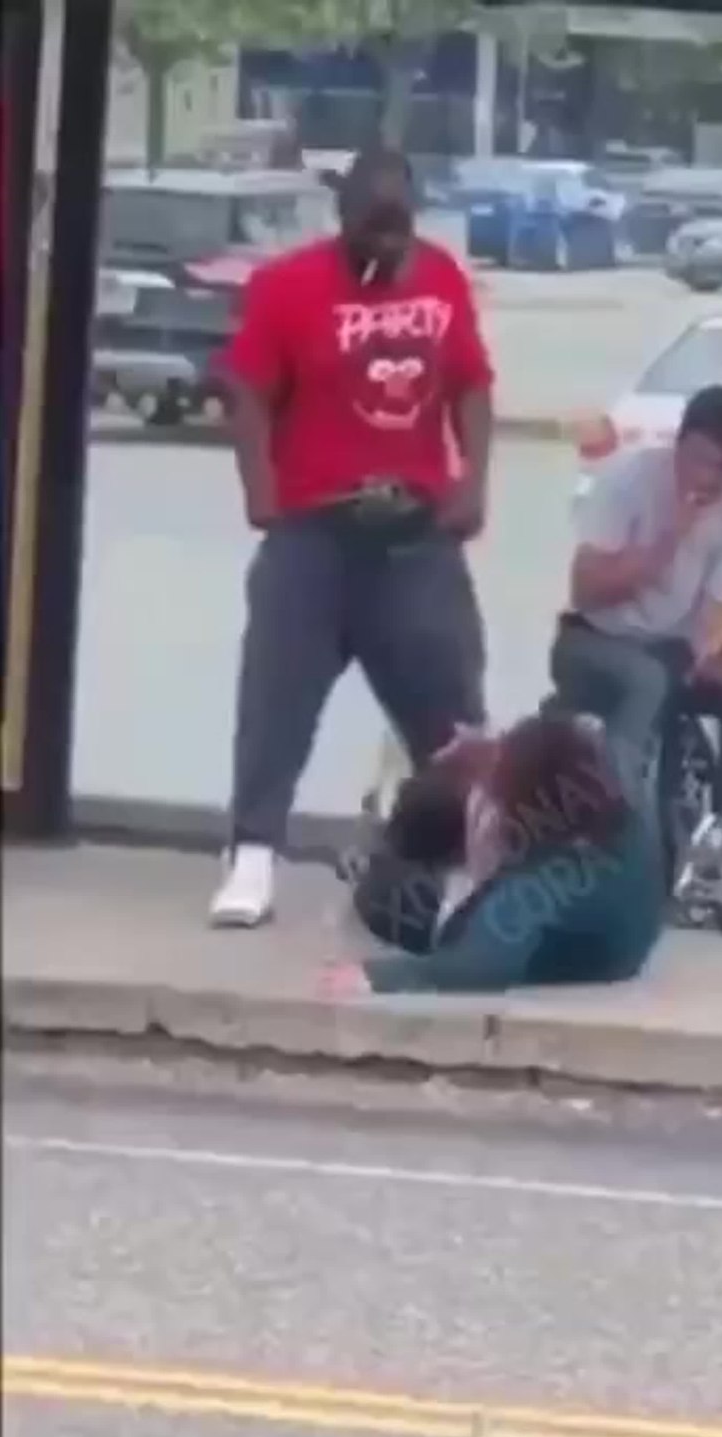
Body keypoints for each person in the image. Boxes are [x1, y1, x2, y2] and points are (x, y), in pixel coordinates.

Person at [210, 146, 494, 928]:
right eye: (374, 232)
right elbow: (246, 388)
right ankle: (254, 855)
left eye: (401, 230)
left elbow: (472, 382)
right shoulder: (288, 287)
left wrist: (473, 481)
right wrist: (260, 489)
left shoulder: (441, 277)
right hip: (316, 531)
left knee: (451, 711)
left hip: (414, 535)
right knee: (277, 699)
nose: (389, 246)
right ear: (344, 221)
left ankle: (467, 864)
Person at [550, 384, 722, 917]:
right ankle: (622, 846)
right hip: (593, 641)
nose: (710, 480)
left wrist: (708, 652)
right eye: (702, 461)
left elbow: (719, 609)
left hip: (671, 649)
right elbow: (586, 589)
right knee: (647, 681)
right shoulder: (627, 481)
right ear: (679, 445)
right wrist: (668, 542)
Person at [320, 713, 664, 997]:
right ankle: (396, 821)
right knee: (450, 796)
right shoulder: (619, 805)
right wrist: (489, 749)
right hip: (526, 878)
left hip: (458, 916)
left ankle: (377, 846)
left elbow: (475, 966)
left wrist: (376, 977)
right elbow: (583, 739)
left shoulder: (536, 889)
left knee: (386, 889)